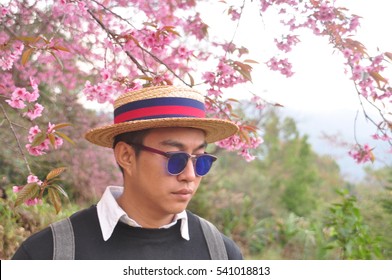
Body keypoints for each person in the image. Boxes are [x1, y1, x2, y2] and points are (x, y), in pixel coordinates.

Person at [12, 85, 243, 260]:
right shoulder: (48, 254)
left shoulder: (221, 254)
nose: (190, 175)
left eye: (200, 161)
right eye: (176, 159)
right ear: (126, 156)